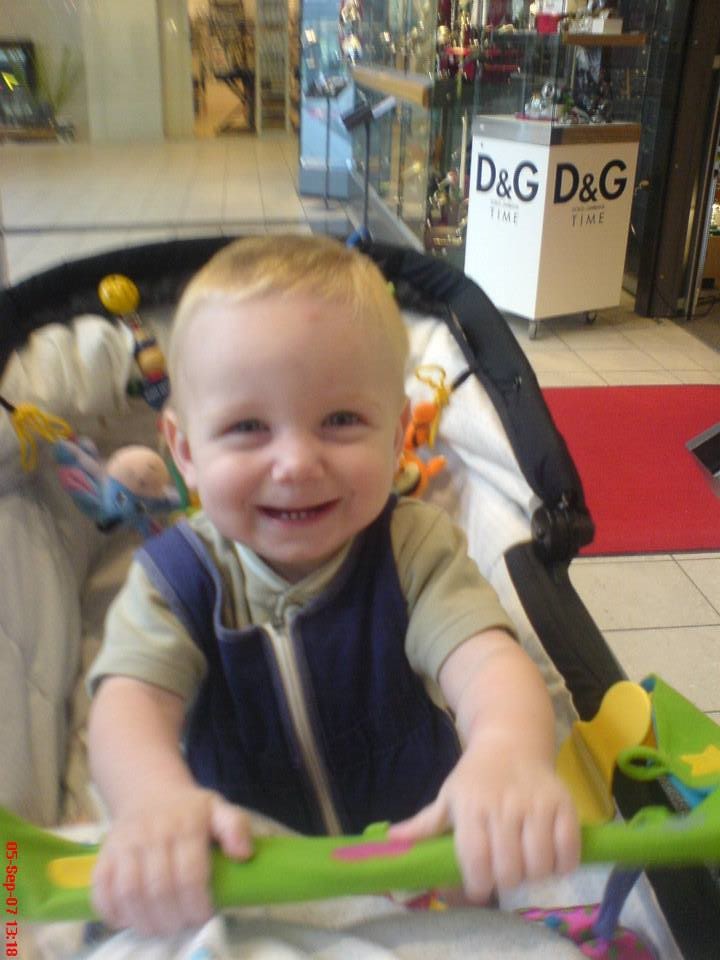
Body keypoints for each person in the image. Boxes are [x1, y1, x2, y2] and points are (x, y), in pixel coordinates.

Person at [86, 234, 580, 937]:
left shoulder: (414, 550)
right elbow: (129, 704)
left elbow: (488, 663)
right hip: (251, 882)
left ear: (398, 434)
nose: (295, 462)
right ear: (186, 451)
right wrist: (152, 801)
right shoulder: (175, 579)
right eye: (248, 427)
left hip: (421, 871)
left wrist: (505, 753)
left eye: (341, 421)